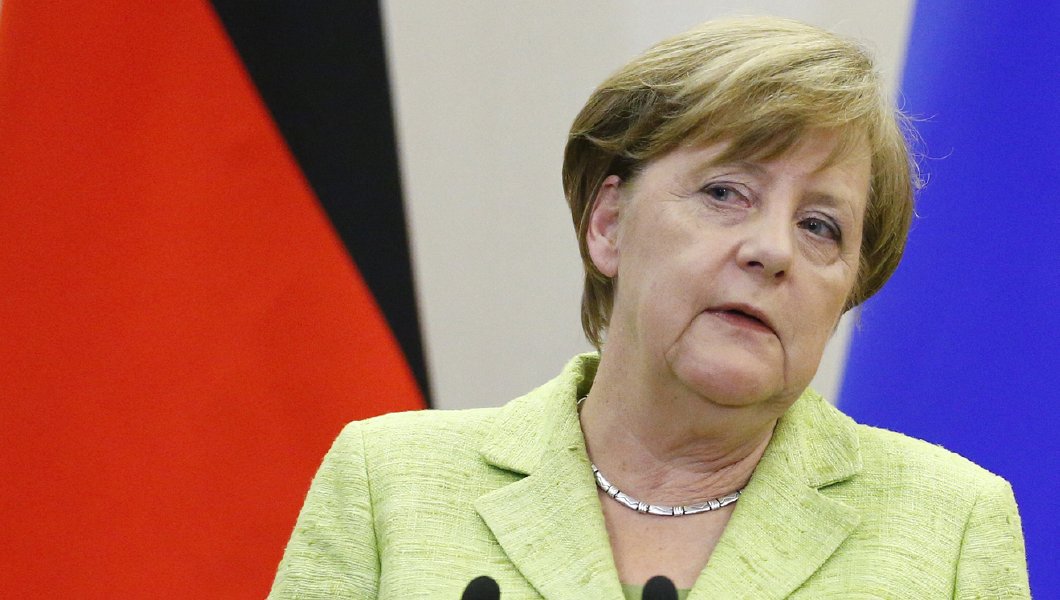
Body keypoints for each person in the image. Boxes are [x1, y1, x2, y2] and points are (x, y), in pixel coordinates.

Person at [268, 16, 1029, 599]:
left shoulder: (950, 527)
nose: (774, 250)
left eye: (820, 226)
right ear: (609, 225)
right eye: (726, 192)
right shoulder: (389, 485)